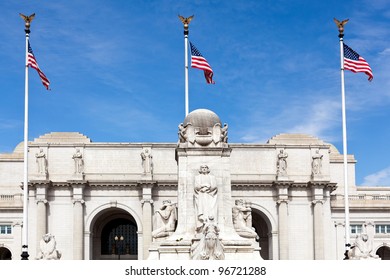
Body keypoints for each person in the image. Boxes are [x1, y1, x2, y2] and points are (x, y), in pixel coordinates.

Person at [194, 165, 217, 233]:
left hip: (210, 195)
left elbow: (214, 186)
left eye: (205, 168)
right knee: (202, 209)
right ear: (200, 169)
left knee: (210, 209)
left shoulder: (212, 177)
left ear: (207, 169)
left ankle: (210, 222)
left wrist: (207, 188)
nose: (204, 169)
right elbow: (196, 186)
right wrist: (203, 187)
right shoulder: (197, 177)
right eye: (202, 168)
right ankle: (202, 222)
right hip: (201, 195)